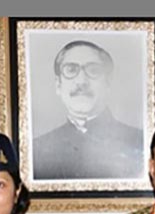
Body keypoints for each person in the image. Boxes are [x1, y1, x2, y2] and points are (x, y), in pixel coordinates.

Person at [32, 39, 144, 180]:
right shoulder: (37, 150)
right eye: (71, 70)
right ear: (58, 85)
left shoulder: (139, 143)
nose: (81, 81)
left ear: (108, 83)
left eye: (93, 70)